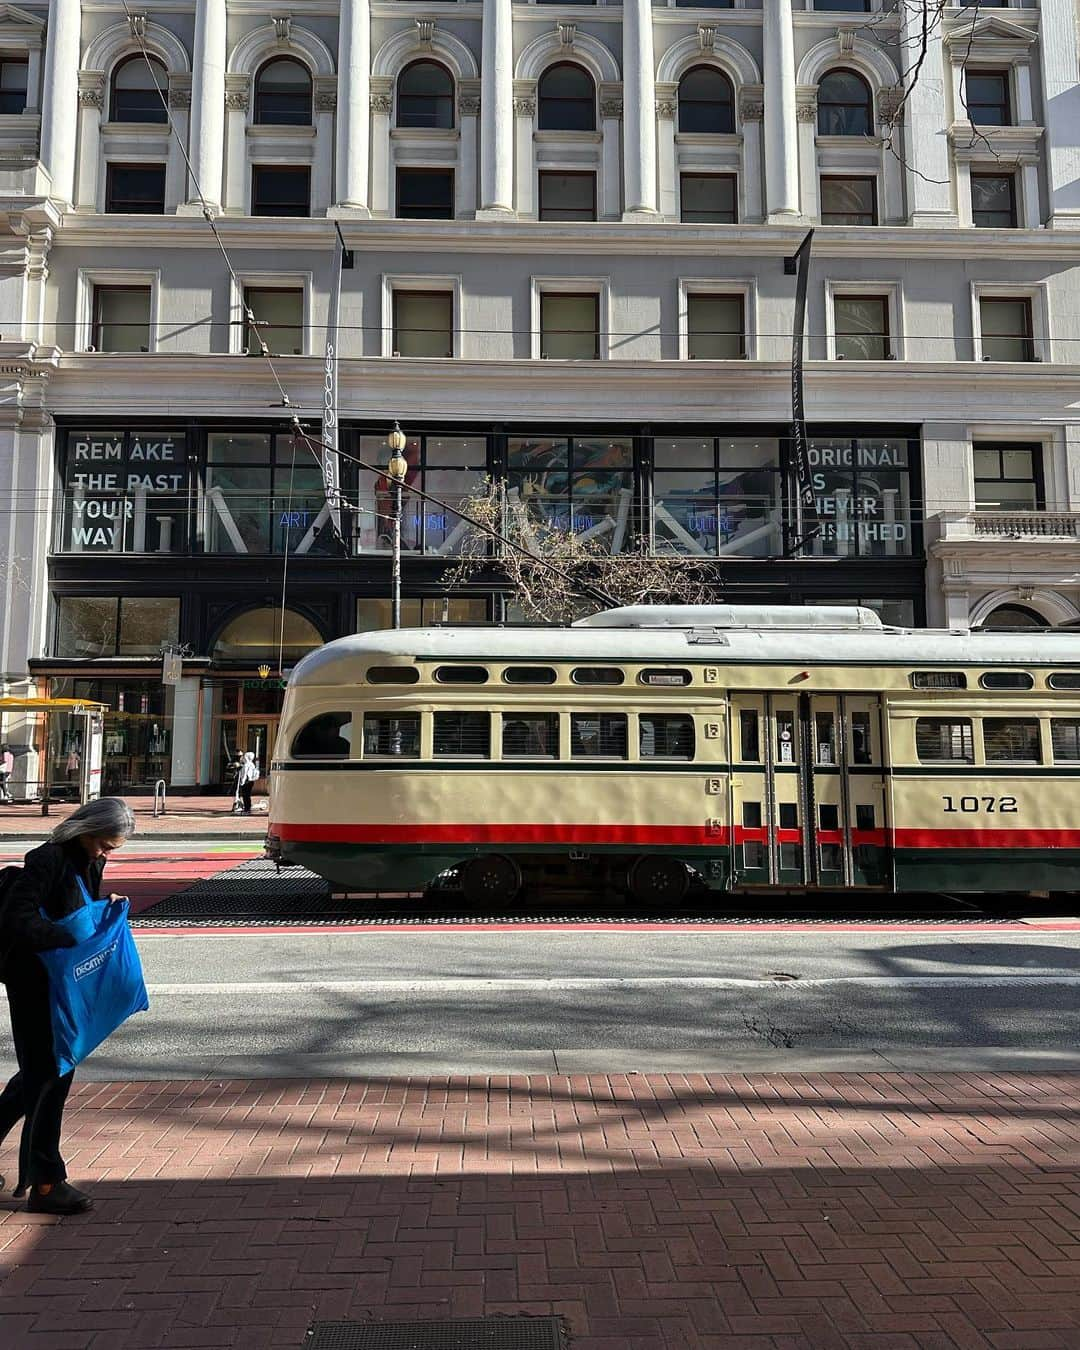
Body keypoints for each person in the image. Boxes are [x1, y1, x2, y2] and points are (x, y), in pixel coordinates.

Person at [0, 797, 135, 1214]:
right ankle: (45, 1183)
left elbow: (74, 909)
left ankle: (41, 1177)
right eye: (105, 845)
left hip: (62, 982)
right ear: (86, 830)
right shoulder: (47, 859)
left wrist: (101, 910)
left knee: (43, 1071)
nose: (106, 853)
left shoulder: (88, 861)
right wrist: (66, 936)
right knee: (51, 1074)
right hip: (32, 979)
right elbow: (18, 920)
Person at [236, 750, 259, 815]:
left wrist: (242, 782)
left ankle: (247, 809)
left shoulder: (246, 765)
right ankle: (248, 808)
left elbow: (244, 774)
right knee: (248, 795)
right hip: (251, 781)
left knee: (245, 795)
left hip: (246, 782)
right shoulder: (252, 764)